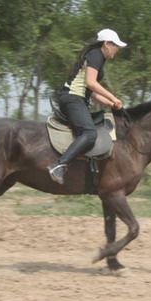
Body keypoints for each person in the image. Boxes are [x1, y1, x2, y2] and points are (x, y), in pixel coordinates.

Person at [47, 28, 127, 184]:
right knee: (90, 134)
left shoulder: (98, 58)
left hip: (77, 99)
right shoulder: (96, 55)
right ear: (107, 44)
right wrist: (113, 96)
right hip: (72, 99)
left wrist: (110, 103)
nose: (117, 50)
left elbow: (91, 91)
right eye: (116, 46)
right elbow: (91, 82)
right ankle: (58, 166)